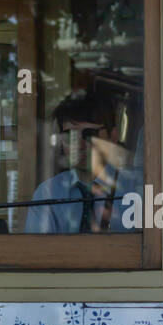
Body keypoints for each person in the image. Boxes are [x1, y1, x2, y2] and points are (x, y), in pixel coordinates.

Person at [25, 88, 141, 233]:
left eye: (89, 133)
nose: (78, 144)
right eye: (69, 135)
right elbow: (38, 252)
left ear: (113, 136)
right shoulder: (48, 193)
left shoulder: (137, 189)